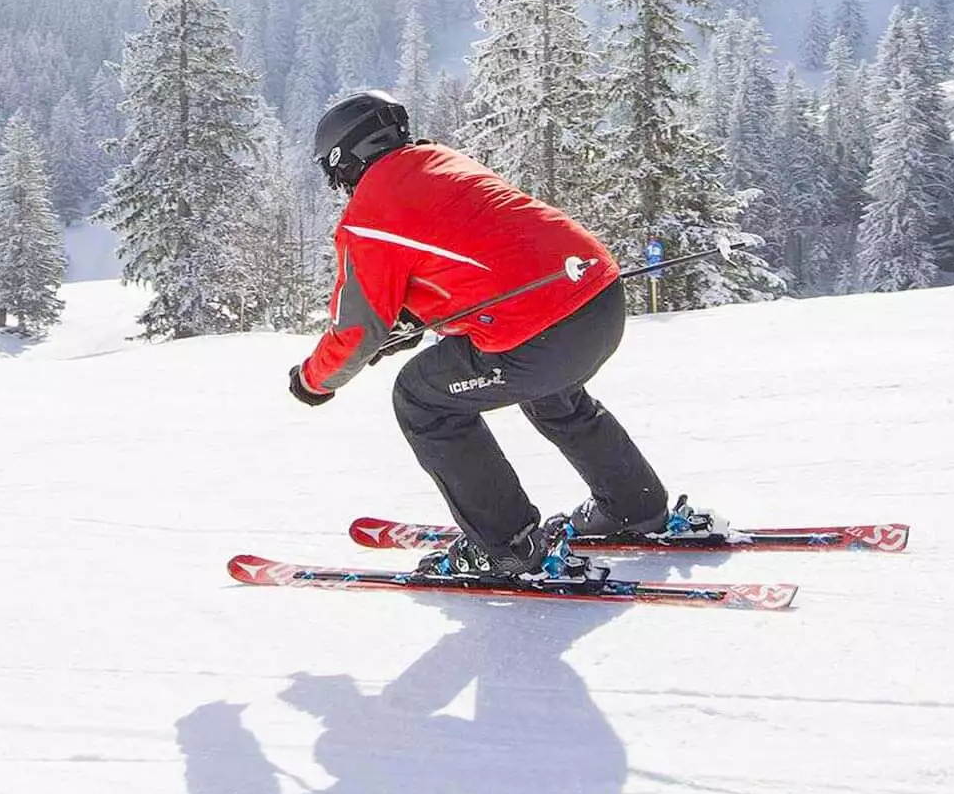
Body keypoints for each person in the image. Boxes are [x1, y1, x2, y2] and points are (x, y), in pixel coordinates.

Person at [286, 90, 677, 580]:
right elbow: (478, 250)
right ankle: (634, 506)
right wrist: (413, 314)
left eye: (333, 172)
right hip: (599, 298)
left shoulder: (370, 215)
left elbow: (356, 331)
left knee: (422, 399)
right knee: (552, 393)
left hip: (541, 333)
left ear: (345, 159)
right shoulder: (439, 160)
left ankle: (506, 547)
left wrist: (313, 381)